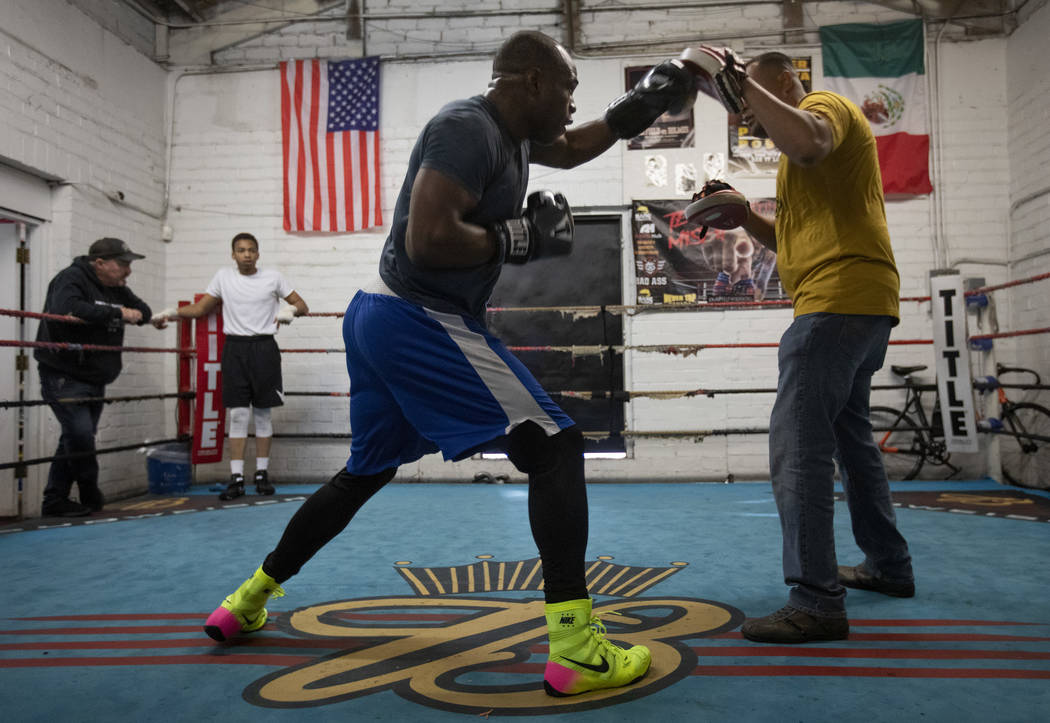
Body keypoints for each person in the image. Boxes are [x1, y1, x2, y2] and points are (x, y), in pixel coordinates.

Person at [201, 30, 698, 698]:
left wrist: (652, 97)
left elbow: (580, 146)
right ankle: (576, 648)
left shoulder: (515, 137)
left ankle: (246, 598)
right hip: (418, 314)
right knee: (556, 448)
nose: (573, 103)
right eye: (569, 87)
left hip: (381, 314)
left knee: (362, 473)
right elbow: (429, 239)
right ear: (530, 82)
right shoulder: (467, 127)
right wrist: (519, 238)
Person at [721, 51, 914, 643]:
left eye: (753, 95)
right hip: (859, 302)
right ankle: (888, 565)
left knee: (798, 445)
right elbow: (794, 240)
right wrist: (741, 215)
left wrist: (749, 89)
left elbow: (807, 142)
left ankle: (816, 600)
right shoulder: (799, 162)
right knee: (852, 442)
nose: (749, 113)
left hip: (836, 305)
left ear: (785, 81)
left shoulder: (822, 107)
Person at [152, 233, 309, 499]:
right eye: (241, 250)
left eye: (251, 250)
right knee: (237, 414)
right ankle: (236, 478)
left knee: (262, 414)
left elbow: (302, 305)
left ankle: (261, 474)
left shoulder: (273, 277)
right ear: (233, 254)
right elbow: (201, 308)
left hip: (264, 347)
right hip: (235, 348)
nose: (246, 254)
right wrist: (171, 313)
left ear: (258, 254)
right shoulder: (223, 277)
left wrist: (290, 312)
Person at [35, 237, 154, 517]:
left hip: (94, 375)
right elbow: (65, 309)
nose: (128, 271)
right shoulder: (71, 278)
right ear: (99, 263)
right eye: (122, 264)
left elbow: (144, 313)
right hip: (64, 373)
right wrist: (118, 313)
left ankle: (54, 499)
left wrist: (124, 310)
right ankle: (89, 491)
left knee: (75, 437)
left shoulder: (116, 287)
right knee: (79, 435)